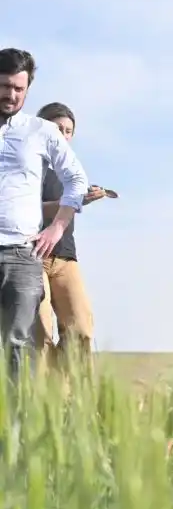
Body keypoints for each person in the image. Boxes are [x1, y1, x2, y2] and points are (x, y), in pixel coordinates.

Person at [0, 49, 89, 388]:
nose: (10, 95)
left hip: (22, 254)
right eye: (5, 86)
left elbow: (76, 180)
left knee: (19, 344)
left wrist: (57, 226)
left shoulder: (41, 131)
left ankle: (15, 432)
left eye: (18, 89)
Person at [34, 102, 110, 375]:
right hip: (32, 256)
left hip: (66, 256)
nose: (63, 135)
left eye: (68, 131)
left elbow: (72, 199)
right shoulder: (28, 165)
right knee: (39, 335)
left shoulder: (70, 170)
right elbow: (21, 208)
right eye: (58, 128)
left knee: (81, 329)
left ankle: (73, 401)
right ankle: (42, 406)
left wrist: (85, 196)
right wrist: (70, 202)